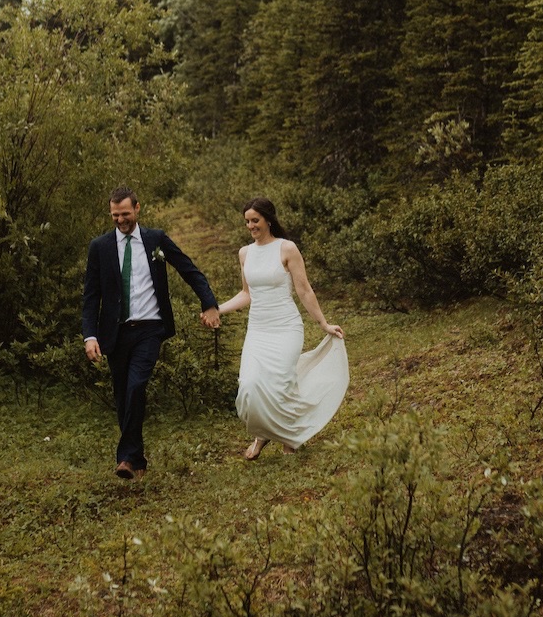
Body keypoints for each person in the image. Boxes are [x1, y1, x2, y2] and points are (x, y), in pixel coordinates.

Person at [83, 186, 220, 480]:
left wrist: (208, 302)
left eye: (125, 214)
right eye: (115, 215)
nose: (120, 220)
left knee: (135, 386)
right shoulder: (100, 247)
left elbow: (188, 269)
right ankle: (137, 460)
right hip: (115, 333)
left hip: (150, 328)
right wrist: (89, 335)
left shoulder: (155, 239)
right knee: (123, 395)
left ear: (137, 208)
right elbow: (91, 296)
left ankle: (124, 458)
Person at [217, 198, 347, 459]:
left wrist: (323, 323)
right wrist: (216, 309)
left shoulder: (286, 248)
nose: (251, 226)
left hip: (286, 327)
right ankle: (263, 433)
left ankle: (290, 436)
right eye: (247, 222)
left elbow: (304, 289)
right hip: (258, 330)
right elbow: (246, 294)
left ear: (268, 219)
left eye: (255, 220)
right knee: (250, 386)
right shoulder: (245, 253)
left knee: (282, 384)